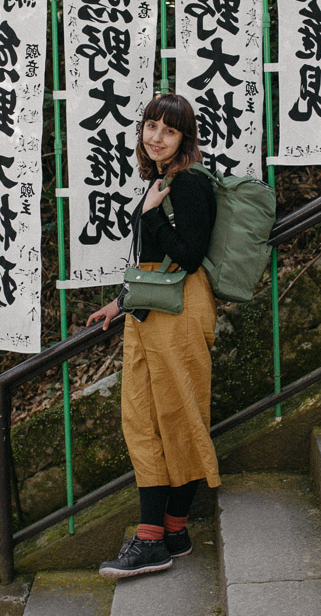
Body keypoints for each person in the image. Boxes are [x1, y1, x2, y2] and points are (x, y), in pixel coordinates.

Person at [88, 93, 220, 579]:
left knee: (178, 415)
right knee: (142, 417)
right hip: (150, 311)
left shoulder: (186, 185)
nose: (157, 137)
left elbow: (187, 258)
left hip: (181, 312)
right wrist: (120, 302)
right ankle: (171, 531)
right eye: (151, 126)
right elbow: (153, 265)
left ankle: (154, 539)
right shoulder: (162, 181)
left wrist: (148, 216)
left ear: (185, 138)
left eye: (169, 130)